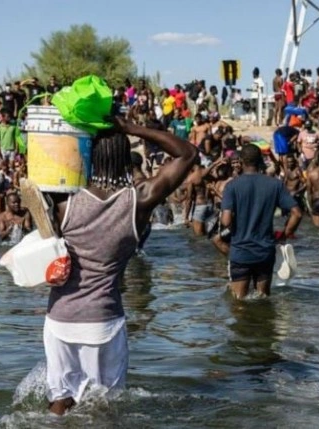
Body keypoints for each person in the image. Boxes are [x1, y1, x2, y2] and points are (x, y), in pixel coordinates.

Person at [42, 115, 196, 415]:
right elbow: (187, 153)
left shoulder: (63, 201)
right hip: (103, 322)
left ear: (89, 157)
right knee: (103, 407)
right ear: (127, 160)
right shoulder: (138, 201)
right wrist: (132, 128)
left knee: (59, 402)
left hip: (59, 320)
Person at [214, 144, 302, 299]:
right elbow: (297, 214)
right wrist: (285, 235)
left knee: (239, 303)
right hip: (265, 252)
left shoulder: (232, 186)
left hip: (241, 252)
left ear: (241, 161)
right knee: (263, 299)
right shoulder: (275, 184)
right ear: (261, 160)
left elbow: (226, 221)